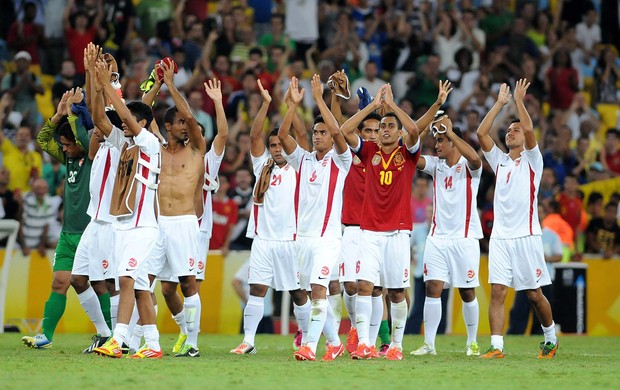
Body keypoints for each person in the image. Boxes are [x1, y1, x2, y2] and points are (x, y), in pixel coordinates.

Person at [340, 82, 448, 361]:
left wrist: (394, 108)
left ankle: (397, 345)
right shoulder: (368, 151)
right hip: (369, 232)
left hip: (399, 233)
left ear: (398, 132)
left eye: (390, 126)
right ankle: (365, 343)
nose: (385, 129)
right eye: (382, 126)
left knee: (397, 292)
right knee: (365, 286)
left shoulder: (407, 155)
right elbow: (343, 131)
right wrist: (375, 107)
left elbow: (414, 130)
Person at [477, 79, 558, 359]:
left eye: (515, 131)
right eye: (508, 131)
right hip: (500, 238)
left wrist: (519, 102)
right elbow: (481, 132)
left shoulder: (533, 161)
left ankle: (551, 338)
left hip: (526, 236)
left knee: (534, 294)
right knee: (498, 291)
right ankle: (497, 346)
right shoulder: (499, 161)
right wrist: (500, 104)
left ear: (524, 137)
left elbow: (530, 129)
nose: (510, 133)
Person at [90, 51, 162, 359]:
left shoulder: (149, 143)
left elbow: (123, 111)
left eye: (128, 120)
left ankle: (117, 340)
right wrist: (95, 81)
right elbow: (97, 119)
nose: (121, 124)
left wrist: (108, 84)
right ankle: (154, 345)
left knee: (126, 278)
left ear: (142, 122)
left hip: (144, 227)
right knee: (141, 287)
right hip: (124, 225)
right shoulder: (125, 144)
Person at [230, 80, 310, 355]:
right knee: (257, 290)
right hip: (263, 239)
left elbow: (301, 134)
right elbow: (254, 138)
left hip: (291, 240)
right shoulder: (262, 165)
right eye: (273, 144)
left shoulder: (300, 165)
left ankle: (305, 337)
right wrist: (265, 104)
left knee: (299, 294)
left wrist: (293, 106)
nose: (277, 148)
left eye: (280, 144)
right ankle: (249, 341)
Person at [278, 76, 351, 362]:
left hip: (328, 238)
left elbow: (339, 134)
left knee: (320, 289)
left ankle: (309, 345)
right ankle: (334, 343)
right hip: (302, 239)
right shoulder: (304, 159)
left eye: (323, 132)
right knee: (307, 294)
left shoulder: (340, 160)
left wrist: (320, 99)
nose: (318, 135)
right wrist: (293, 107)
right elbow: (283, 137)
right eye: (315, 132)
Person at [21, 89, 92, 349]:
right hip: (68, 233)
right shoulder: (69, 158)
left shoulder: (94, 157)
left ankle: (109, 337)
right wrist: (59, 114)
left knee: (100, 286)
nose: (62, 148)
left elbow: (84, 137)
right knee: (59, 281)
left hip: (90, 234)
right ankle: (46, 336)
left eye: (67, 144)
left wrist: (74, 113)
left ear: (78, 143)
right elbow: (42, 139)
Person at [410, 110, 482, 357]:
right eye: (437, 140)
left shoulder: (469, 168)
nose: (437, 145)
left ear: (453, 142)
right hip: (437, 239)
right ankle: (429, 344)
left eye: (441, 140)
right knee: (433, 288)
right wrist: (428, 123)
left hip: (465, 238)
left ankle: (472, 343)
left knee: (467, 291)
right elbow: (411, 154)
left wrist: (449, 129)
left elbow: (476, 159)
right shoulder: (435, 166)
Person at [147, 61, 207, 358]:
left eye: (187, 123)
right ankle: (151, 338)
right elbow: (141, 117)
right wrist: (156, 84)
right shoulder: (155, 146)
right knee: (153, 285)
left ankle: (193, 343)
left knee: (186, 283)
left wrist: (171, 85)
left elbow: (194, 122)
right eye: (179, 123)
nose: (186, 126)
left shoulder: (196, 148)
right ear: (167, 126)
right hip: (156, 224)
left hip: (184, 222)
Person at [338, 110, 381, 356]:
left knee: (375, 289)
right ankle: (355, 327)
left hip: (377, 230)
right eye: (368, 131)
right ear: (360, 134)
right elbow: (339, 129)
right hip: (352, 228)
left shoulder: (388, 157)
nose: (373, 135)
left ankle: (370, 342)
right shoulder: (351, 156)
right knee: (350, 285)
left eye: (377, 131)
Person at [508, 204, 563, 335]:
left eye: (540, 212)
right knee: (520, 309)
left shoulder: (552, 235)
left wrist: (546, 258)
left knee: (541, 309)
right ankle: (515, 333)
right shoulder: (523, 234)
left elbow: (559, 256)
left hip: (546, 277)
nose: (538, 216)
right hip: (525, 275)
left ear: (544, 214)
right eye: (535, 213)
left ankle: (540, 334)